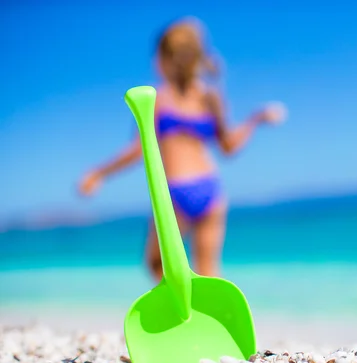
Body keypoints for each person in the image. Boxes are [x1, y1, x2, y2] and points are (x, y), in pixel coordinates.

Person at [78, 18, 286, 281]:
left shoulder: (156, 99)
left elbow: (138, 150)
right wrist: (255, 119)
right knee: (209, 273)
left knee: (157, 264)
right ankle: (208, 320)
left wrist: (98, 173)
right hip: (210, 188)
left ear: (164, 59)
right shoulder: (210, 97)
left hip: (175, 192)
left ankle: (181, 317)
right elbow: (229, 147)